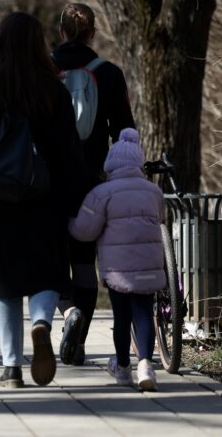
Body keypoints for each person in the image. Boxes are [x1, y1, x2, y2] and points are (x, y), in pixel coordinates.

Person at [0, 12, 87, 388]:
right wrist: (77, 200)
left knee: (3, 283)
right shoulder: (53, 90)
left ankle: (11, 367)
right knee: (46, 271)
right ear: (38, 44)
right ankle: (42, 321)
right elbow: (68, 152)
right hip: (46, 197)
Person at [51, 3, 136, 366]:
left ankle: (67, 311)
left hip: (47, 181)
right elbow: (123, 131)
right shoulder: (109, 73)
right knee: (85, 261)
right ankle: (80, 339)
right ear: (92, 34)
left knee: (51, 259)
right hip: (91, 181)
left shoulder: (43, 71)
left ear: (60, 32)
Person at [68, 128, 165, 390]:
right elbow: (161, 218)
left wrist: (69, 224)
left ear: (110, 164)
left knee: (121, 317)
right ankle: (145, 363)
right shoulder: (153, 192)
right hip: (149, 265)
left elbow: (85, 231)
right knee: (144, 311)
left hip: (118, 270)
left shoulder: (102, 193)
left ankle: (123, 367)